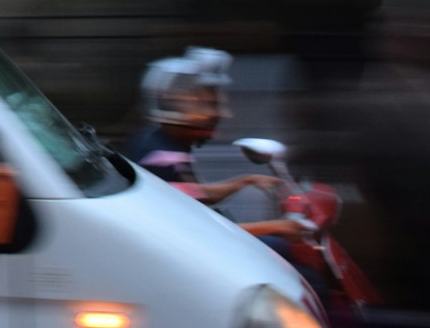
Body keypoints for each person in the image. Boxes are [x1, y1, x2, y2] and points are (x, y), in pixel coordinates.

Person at [124, 48, 309, 246]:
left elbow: (195, 194)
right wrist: (277, 226)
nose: (219, 115)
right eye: (203, 105)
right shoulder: (161, 156)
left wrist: (246, 181)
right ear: (172, 105)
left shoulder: (159, 142)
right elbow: (194, 231)